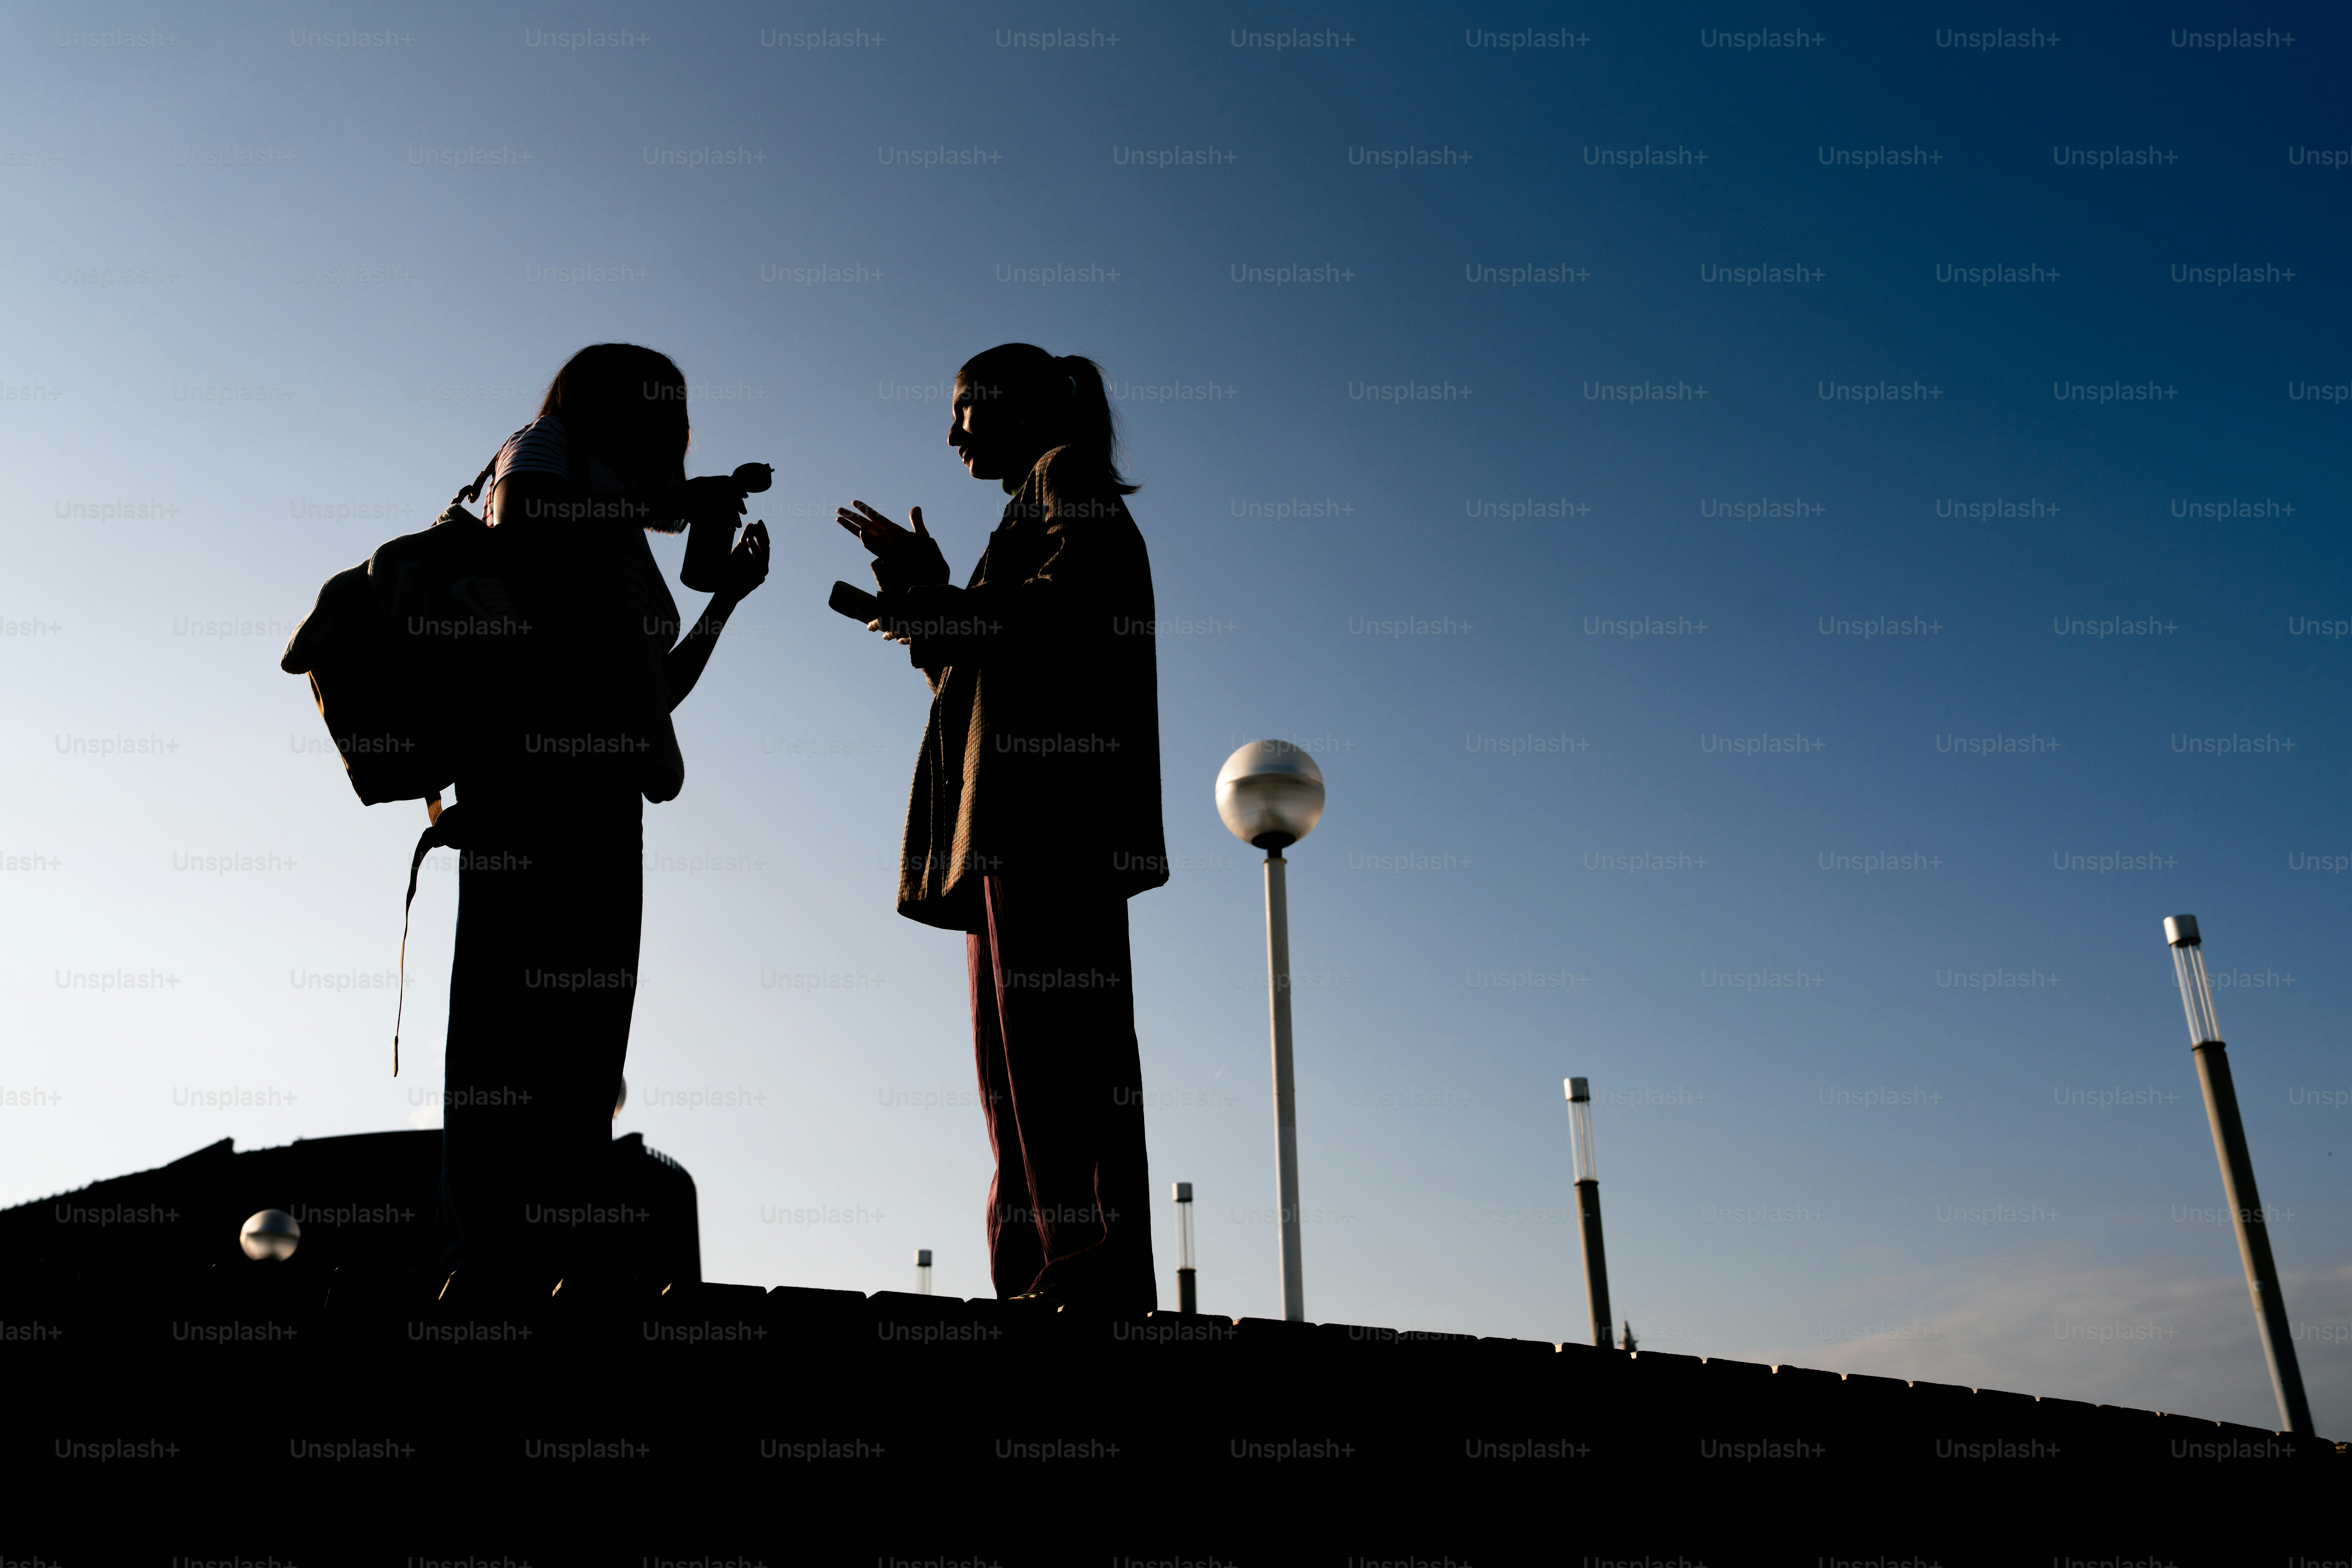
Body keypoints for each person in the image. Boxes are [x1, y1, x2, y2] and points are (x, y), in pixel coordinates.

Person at [433, 342, 770, 1292]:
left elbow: (654, 692)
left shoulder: (618, 533)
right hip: (531, 777)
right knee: (508, 1029)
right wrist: (673, 502)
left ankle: (548, 1261)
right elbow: (526, 535)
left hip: (607, 793)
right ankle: (485, 1267)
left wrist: (726, 602)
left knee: (585, 1040)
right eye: (665, 416)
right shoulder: (544, 448)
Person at [837, 343, 1165, 1313]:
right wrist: (924, 591)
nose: (951, 435)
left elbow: (1074, 610)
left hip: (1050, 819)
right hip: (1010, 822)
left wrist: (942, 601)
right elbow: (973, 670)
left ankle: (1086, 1277)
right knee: (1018, 1077)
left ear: (1018, 408)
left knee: (1057, 1063)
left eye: (965, 411)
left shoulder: (1066, 478)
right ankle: (1041, 1278)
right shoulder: (1025, 513)